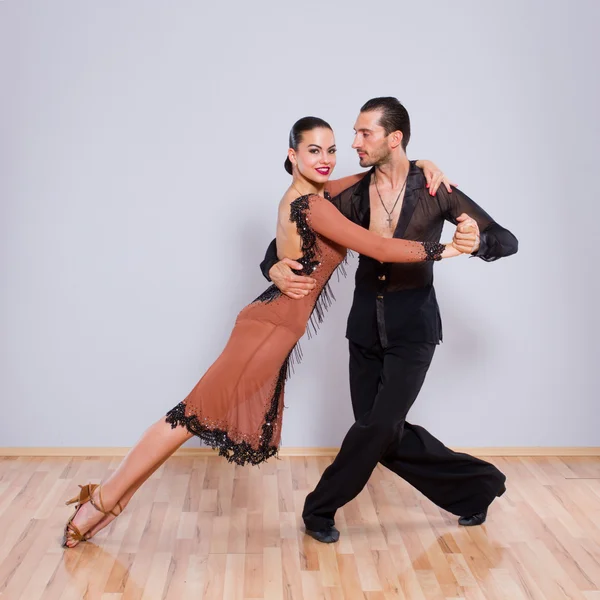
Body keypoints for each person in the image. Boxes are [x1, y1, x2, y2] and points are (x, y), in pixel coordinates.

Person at [61, 117, 468, 548]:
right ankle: (101, 501)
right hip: (266, 329)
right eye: (314, 150)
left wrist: (420, 162)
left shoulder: (317, 194)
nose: (327, 158)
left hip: (273, 328)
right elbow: (379, 247)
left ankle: (108, 501)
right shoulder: (311, 205)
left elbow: (374, 175)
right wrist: (445, 249)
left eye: (331, 149)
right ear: (292, 155)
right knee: (187, 417)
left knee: (191, 416)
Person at [259, 98, 519, 544]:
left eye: (365, 134)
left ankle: (318, 509)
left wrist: (475, 243)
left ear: (393, 139)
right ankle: (479, 485)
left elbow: (505, 239)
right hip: (362, 328)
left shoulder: (435, 188)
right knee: (379, 433)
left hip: (413, 328)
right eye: (355, 134)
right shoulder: (349, 192)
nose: (354, 143)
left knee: (377, 429)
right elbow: (290, 230)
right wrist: (272, 268)